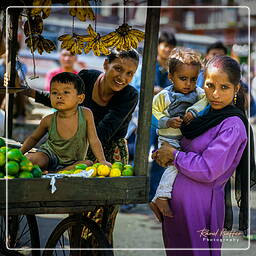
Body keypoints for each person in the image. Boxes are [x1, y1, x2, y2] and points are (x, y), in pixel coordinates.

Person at [24, 49, 139, 245]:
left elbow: (103, 133)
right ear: (105, 65)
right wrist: (30, 92)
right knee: (78, 211)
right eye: (118, 69)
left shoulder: (129, 95)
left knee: (102, 218)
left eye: (130, 73)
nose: (123, 77)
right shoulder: (86, 77)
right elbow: (64, 98)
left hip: (110, 156)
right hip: (79, 148)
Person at [151, 55, 256, 255]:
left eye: (224, 87)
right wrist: (163, 153)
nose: (215, 94)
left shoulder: (232, 125)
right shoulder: (202, 115)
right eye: (209, 85)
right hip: (177, 207)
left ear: (236, 89)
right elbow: (182, 145)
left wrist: (173, 155)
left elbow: (208, 169)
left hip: (200, 207)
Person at [151, 48, 208, 211]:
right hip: (169, 138)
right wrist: (167, 121)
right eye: (183, 79)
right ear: (170, 76)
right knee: (173, 164)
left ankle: (172, 199)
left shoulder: (199, 94)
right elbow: (152, 115)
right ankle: (160, 196)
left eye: (193, 79)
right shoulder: (163, 96)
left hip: (188, 139)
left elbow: (206, 102)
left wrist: (193, 110)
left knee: (185, 169)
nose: (188, 84)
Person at [20, 72, 110, 171]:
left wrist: (102, 160)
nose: (59, 96)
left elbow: (94, 140)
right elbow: (34, 138)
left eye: (66, 92)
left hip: (73, 162)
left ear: (80, 98)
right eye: (54, 93)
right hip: (49, 156)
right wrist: (20, 154)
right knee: (33, 159)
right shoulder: (48, 120)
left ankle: (58, 172)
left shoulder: (86, 114)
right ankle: (52, 170)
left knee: (88, 163)